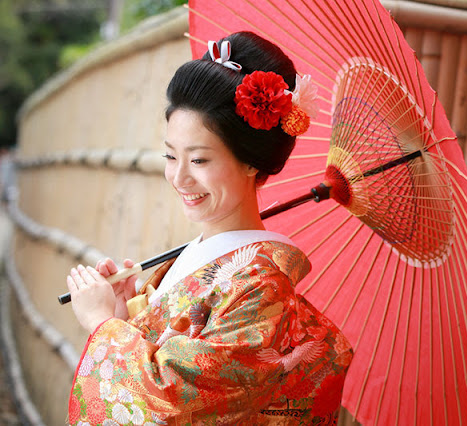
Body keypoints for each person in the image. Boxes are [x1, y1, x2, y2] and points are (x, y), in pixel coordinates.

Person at [65, 31, 353, 425]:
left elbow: (176, 403)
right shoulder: (199, 258)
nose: (178, 177)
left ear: (251, 161)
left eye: (198, 161)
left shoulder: (261, 289)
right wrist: (126, 315)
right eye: (171, 156)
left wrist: (103, 327)